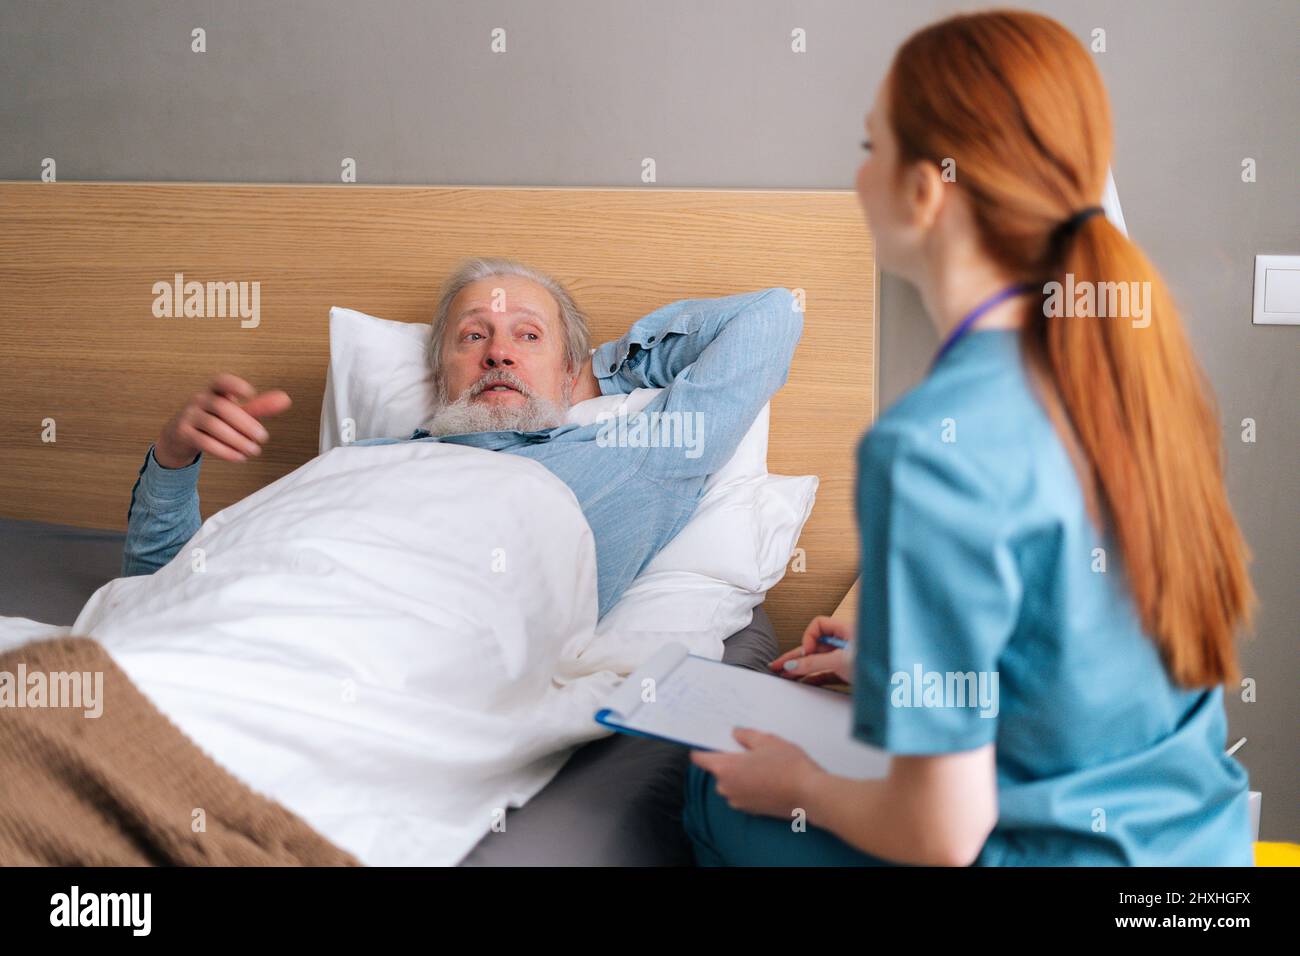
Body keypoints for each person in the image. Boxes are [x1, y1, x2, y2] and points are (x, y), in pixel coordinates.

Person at [683, 9, 1255, 866]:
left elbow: (942, 836)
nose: (859, 176)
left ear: (925, 191)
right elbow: (1084, 642)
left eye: (871, 148)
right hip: (1198, 866)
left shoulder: (929, 447)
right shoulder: (1142, 378)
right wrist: (898, 665)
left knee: (708, 789)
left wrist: (798, 787)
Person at [121, 258, 802, 618]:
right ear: (439, 371)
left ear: (572, 371)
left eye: (527, 337)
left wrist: (585, 376)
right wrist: (175, 459)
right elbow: (153, 590)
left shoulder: (634, 458)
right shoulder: (360, 462)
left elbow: (772, 316)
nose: (499, 354)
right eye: (474, 336)